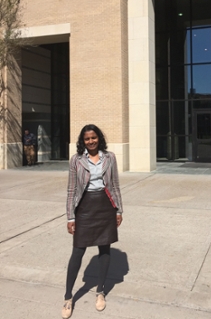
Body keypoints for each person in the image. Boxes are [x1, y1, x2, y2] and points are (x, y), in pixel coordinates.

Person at [62, 124, 123, 319]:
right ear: (83, 141)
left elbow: (114, 184)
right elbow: (72, 189)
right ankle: (68, 297)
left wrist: (118, 210)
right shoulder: (76, 160)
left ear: (99, 138)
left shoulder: (110, 157)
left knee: (104, 249)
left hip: (105, 206)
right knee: (78, 251)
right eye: (87, 139)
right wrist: (71, 216)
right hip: (84, 207)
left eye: (94, 138)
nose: (91, 141)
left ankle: (100, 292)